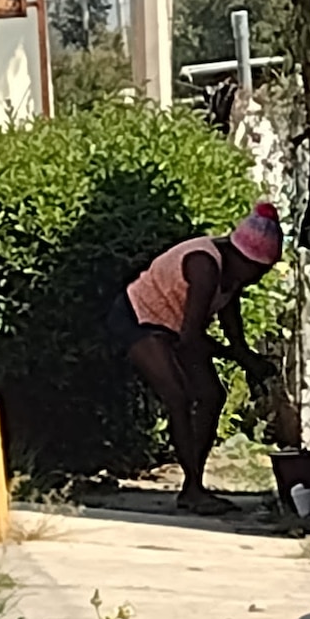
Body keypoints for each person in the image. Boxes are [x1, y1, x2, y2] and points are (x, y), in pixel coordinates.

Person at [107, 203, 283, 515]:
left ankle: (193, 486)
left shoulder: (232, 278)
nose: (256, 279)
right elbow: (191, 339)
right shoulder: (204, 266)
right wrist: (236, 357)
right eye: (257, 271)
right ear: (241, 257)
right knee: (178, 396)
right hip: (140, 319)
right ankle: (193, 487)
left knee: (212, 395)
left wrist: (246, 357)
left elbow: (232, 330)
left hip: (172, 329)